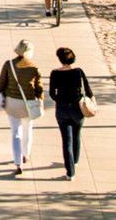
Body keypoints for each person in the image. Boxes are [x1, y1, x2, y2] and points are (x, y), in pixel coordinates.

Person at [0, 39, 44, 175]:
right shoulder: (34, 67)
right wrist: (41, 101)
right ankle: (25, 154)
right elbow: (39, 89)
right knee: (28, 130)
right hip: (28, 103)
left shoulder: (9, 64)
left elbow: (1, 84)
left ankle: (18, 162)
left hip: (12, 103)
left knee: (15, 132)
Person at [49, 46, 93, 180]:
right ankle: (75, 160)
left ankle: (70, 172)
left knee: (66, 140)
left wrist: (59, 99)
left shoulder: (55, 73)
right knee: (76, 134)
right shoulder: (78, 72)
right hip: (77, 108)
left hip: (62, 108)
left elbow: (52, 93)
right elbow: (88, 89)